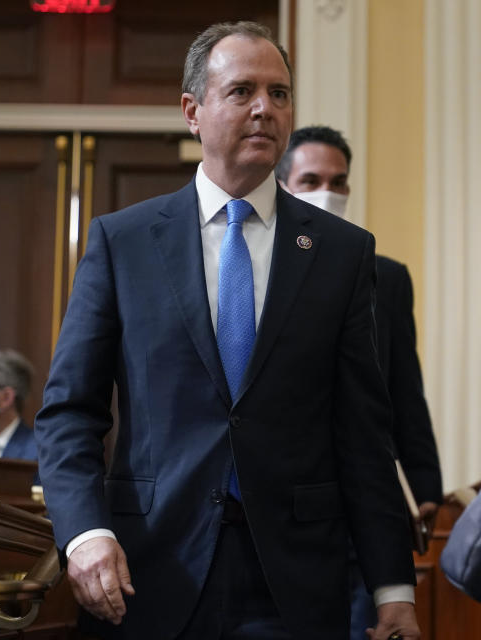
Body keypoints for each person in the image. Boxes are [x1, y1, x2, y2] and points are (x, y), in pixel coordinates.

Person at [35, 21, 420, 640]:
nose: (265, 108)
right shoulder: (123, 242)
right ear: (193, 110)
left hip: (293, 578)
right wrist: (85, 533)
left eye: (279, 93)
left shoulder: (342, 253)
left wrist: (393, 586)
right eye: (242, 91)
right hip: (148, 570)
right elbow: (69, 413)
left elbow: (363, 431)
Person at [276, 126, 443, 638]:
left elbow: (403, 389)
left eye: (339, 180)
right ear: (283, 184)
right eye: (311, 179)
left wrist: (424, 482)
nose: (328, 190)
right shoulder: (262, 267)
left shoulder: (384, 276)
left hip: (362, 499)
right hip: (286, 495)